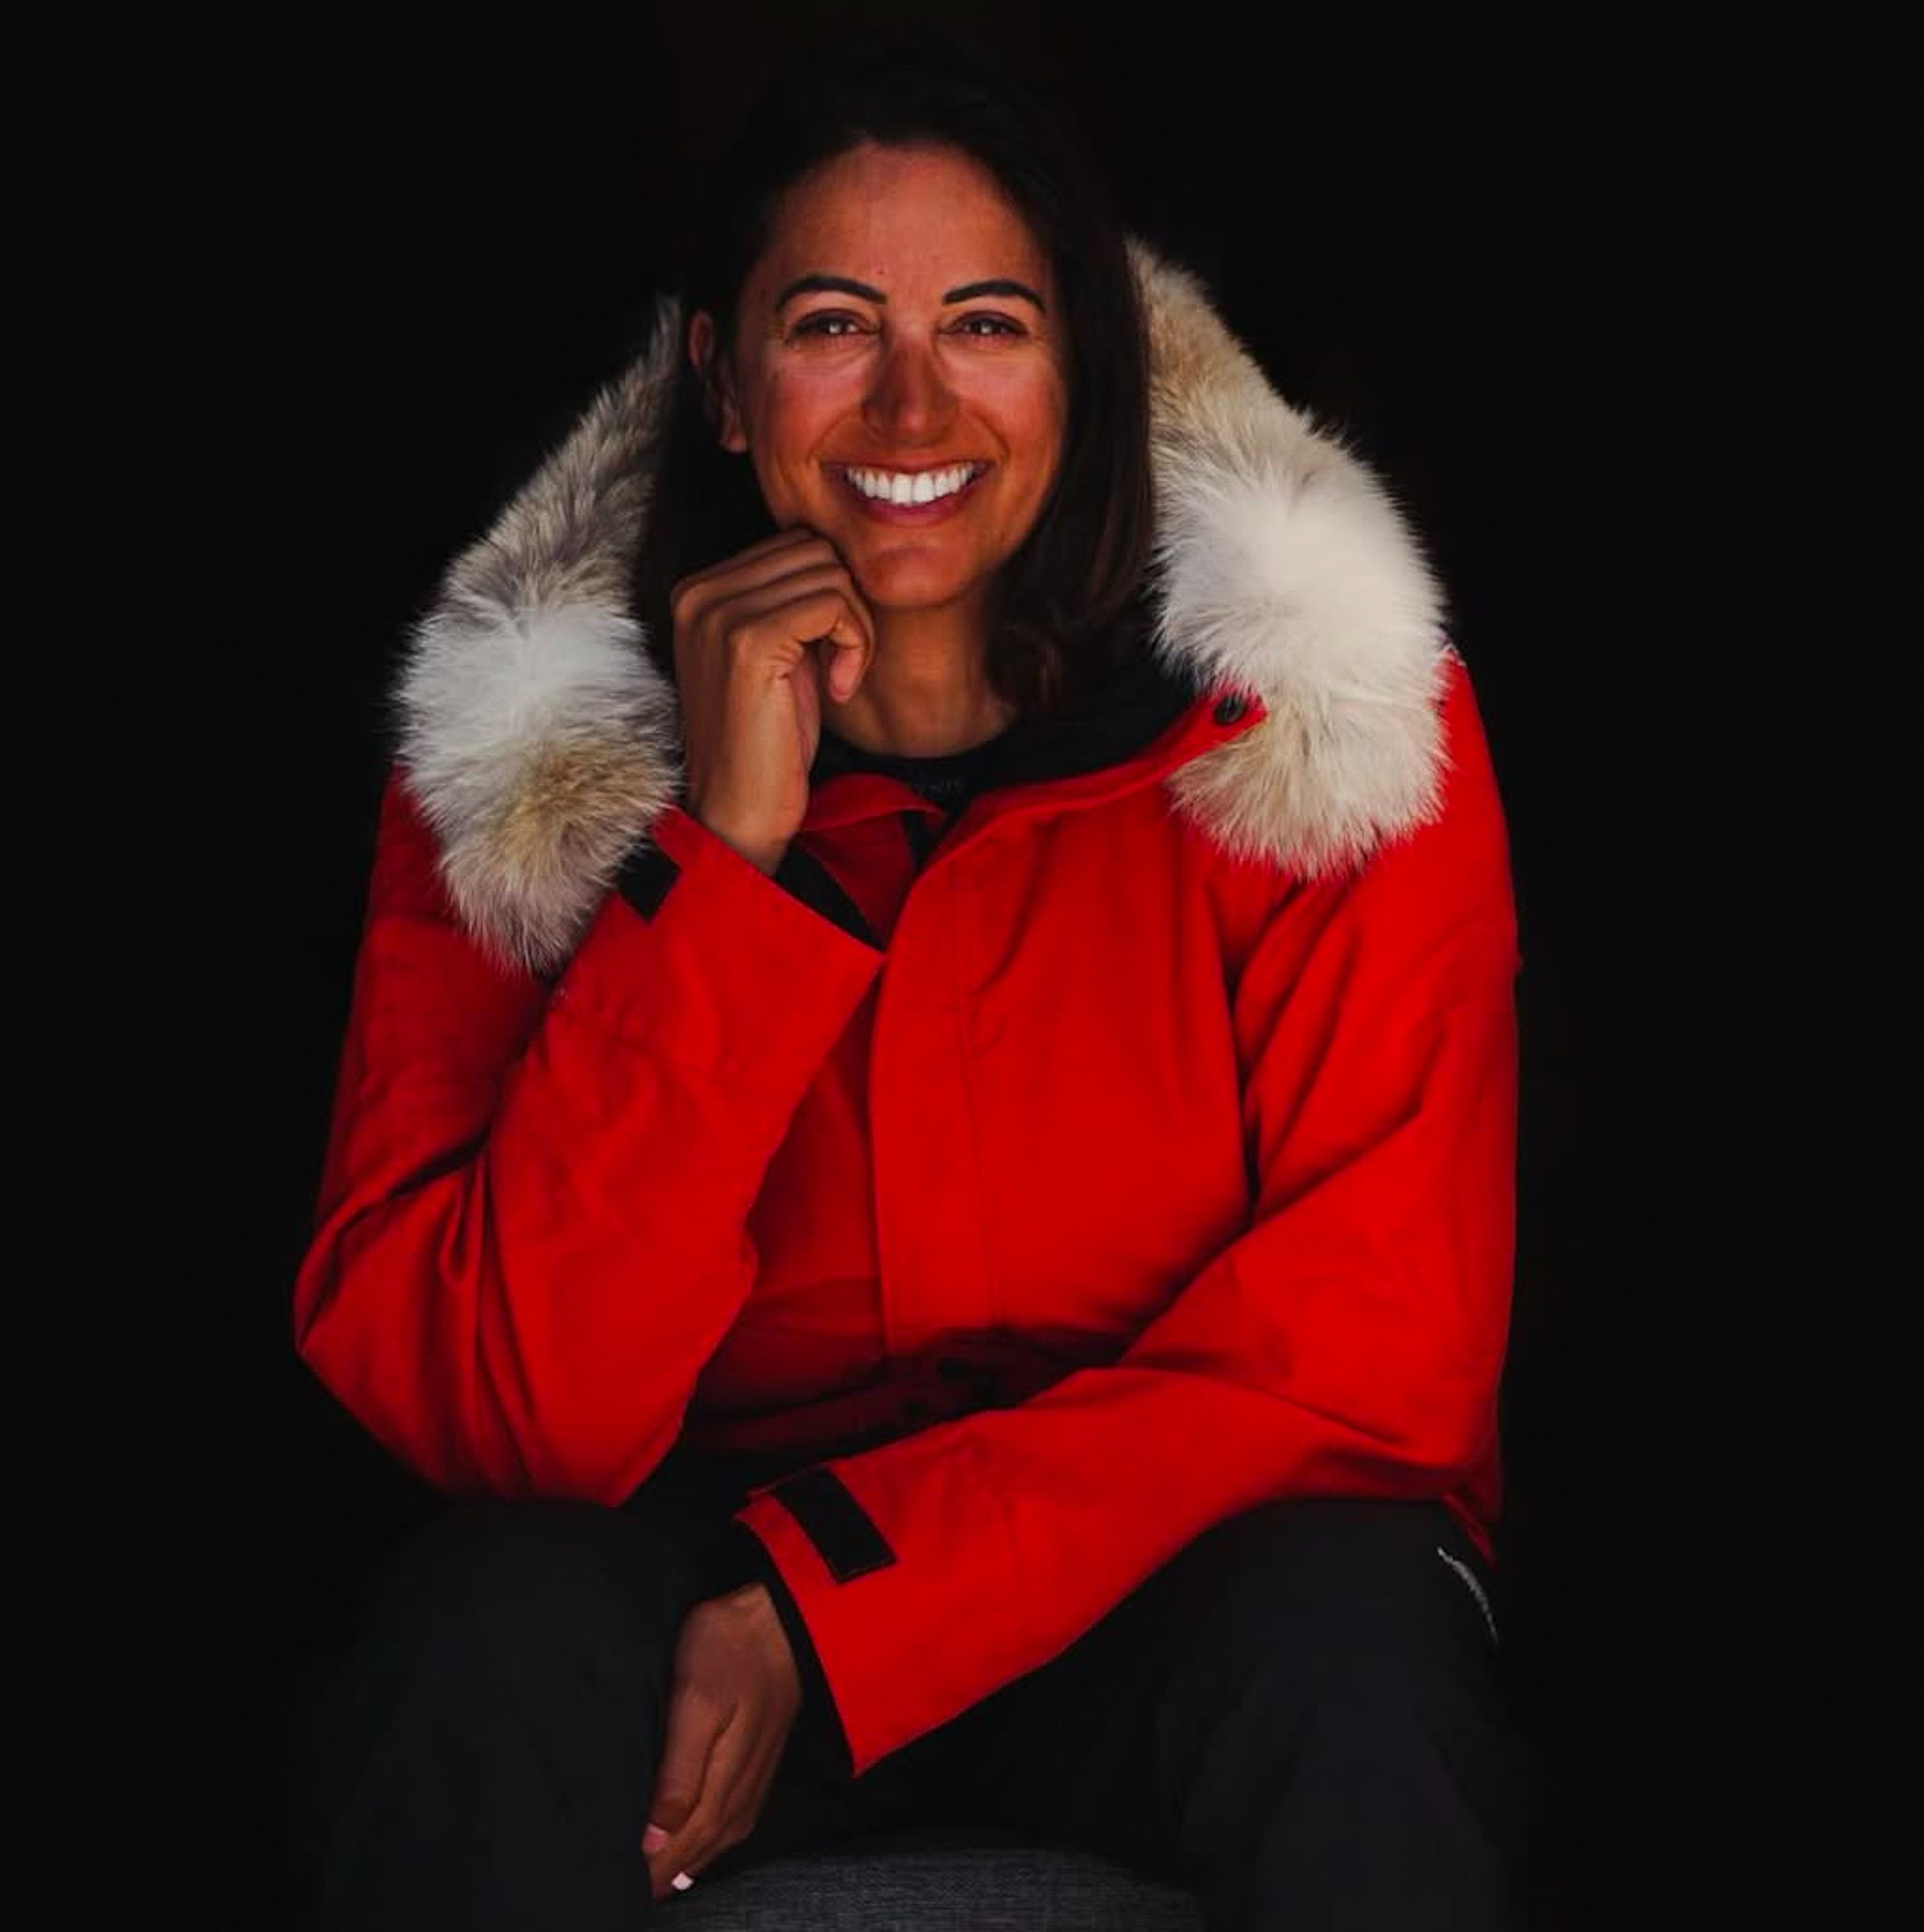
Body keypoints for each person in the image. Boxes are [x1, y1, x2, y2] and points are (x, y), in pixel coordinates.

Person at [281, 23, 1549, 1931]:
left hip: (1174, 1564)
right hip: (693, 1575)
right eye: (828, 326)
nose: (906, 410)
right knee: (480, 1637)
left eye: (982, 323)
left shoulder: (1326, 729)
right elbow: (507, 1409)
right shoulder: (517, 775)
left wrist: (850, 1602)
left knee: (1354, 1651)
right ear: (719, 373)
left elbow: (1374, 1349)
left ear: (1084, 369)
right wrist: (718, 861)